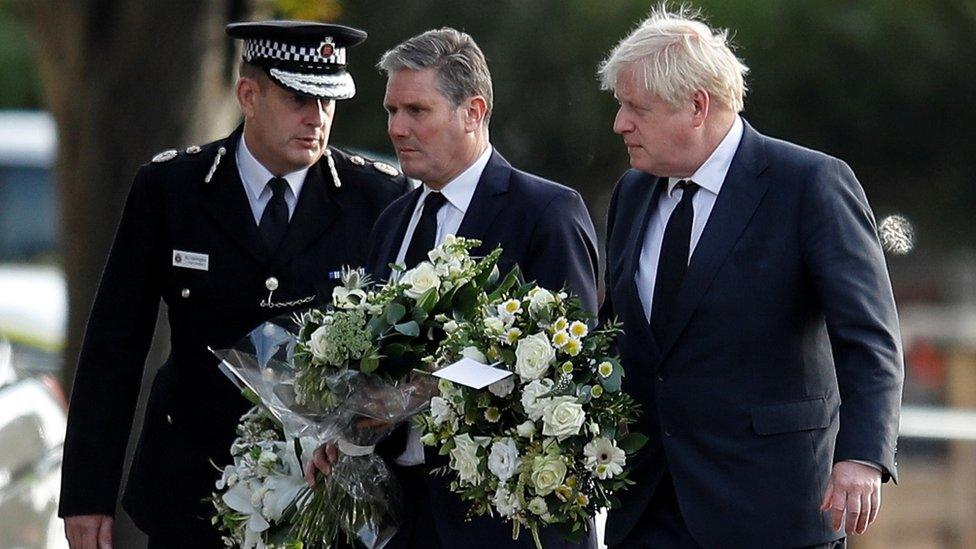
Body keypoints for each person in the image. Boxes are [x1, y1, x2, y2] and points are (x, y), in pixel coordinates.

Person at [59, 20, 409, 548]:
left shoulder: (375, 198)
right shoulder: (170, 190)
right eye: (298, 99)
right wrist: (87, 493)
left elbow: (402, 354)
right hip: (191, 488)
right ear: (248, 94)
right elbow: (114, 346)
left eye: (328, 102)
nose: (316, 119)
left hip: (325, 499)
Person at [596, 6, 903, 548]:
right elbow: (618, 334)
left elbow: (869, 335)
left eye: (635, 108)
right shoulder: (632, 192)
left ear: (696, 105)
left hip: (770, 508)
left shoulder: (809, 184)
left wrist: (862, 456)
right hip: (645, 508)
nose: (620, 123)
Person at [307, 27, 599, 549]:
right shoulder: (393, 220)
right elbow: (372, 359)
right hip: (397, 515)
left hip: (499, 519)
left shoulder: (545, 213)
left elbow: (569, 371)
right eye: (391, 111)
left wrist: (427, 389)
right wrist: (344, 426)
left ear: (473, 111)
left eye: (416, 111)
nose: (397, 128)